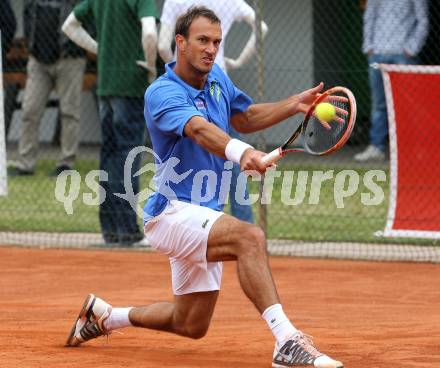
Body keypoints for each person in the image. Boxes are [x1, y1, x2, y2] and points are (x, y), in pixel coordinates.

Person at [65, 7, 343, 368]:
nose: (211, 49)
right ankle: (286, 342)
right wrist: (242, 152)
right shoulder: (161, 92)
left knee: (190, 323)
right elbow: (197, 128)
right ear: (180, 43)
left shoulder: (218, 80)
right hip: (170, 214)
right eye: (202, 41)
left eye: (216, 42)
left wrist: (293, 105)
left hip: (204, 214)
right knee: (250, 238)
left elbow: (243, 117)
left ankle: (104, 316)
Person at [158, 0, 269, 223]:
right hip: (217, 90)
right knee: (235, 166)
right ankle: (243, 228)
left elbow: (162, 46)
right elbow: (261, 27)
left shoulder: (175, 1)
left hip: (185, 91)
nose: (210, 46)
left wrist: (176, 73)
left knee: (185, 165)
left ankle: (198, 224)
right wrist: (237, 62)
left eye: (213, 42)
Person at [62, 0, 158, 246]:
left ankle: (111, 229)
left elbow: (70, 26)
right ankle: (128, 231)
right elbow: (149, 31)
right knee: (128, 157)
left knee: (109, 155)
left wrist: (100, 48)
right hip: (131, 85)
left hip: (106, 84)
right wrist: (150, 67)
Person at [8, 0, 87, 177]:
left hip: (69, 58)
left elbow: (89, 20)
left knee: (69, 112)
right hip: (38, 59)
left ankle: (66, 164)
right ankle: (25, 164)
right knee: (30, 110)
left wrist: (76, 45)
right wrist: (31, 44)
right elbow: (28, 15)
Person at [354, 0, 428, 162]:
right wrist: (369, 48)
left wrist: (411, 49)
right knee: (379, 103)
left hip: (403, 55)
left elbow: (423, 19)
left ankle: (415, 149)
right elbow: (369, 16)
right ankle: (376, 147)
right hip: (377, 54)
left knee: (411, 104)